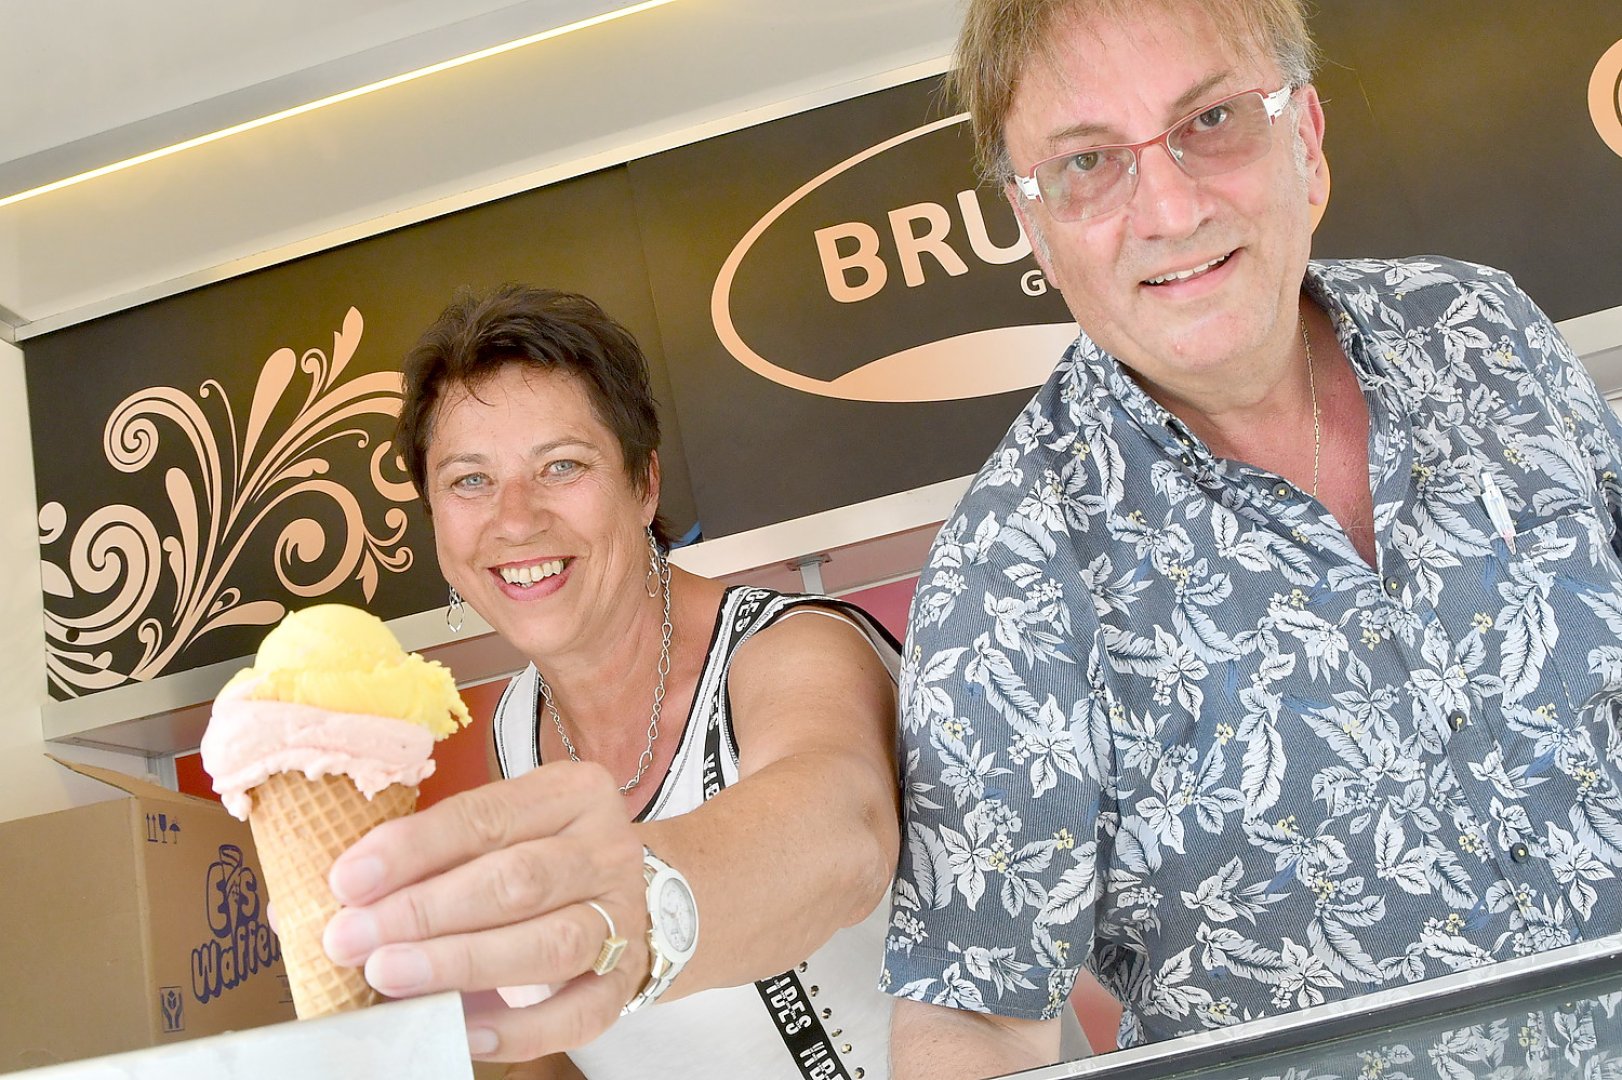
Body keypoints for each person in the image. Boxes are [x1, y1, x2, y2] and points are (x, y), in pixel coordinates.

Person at [882, 1, 1622, 1076]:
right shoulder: (1006, 574)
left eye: (1212, 120)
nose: (1171, 207)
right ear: (1033, 225)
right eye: (1087, 161)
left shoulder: (1478, 329)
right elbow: (974, 1015)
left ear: (1306, 141)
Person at [318, 284, 903, 1079]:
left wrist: (633, 913)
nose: (515, 520)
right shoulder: (513, 731)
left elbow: (844, 834)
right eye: (468, 480)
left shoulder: (792, 649)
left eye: (561, 466)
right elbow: (563, 1043)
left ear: (644, 483)